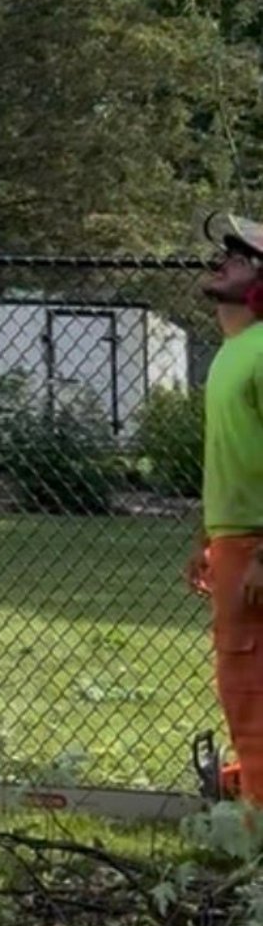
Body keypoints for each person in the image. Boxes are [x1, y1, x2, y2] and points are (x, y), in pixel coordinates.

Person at [188, 213, 263, 802]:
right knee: (243, 695)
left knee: (253, 698)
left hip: (257, 548)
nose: (223, 261)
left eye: (239, 256)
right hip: (234, 544)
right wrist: (207, 540)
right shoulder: (232, 352)